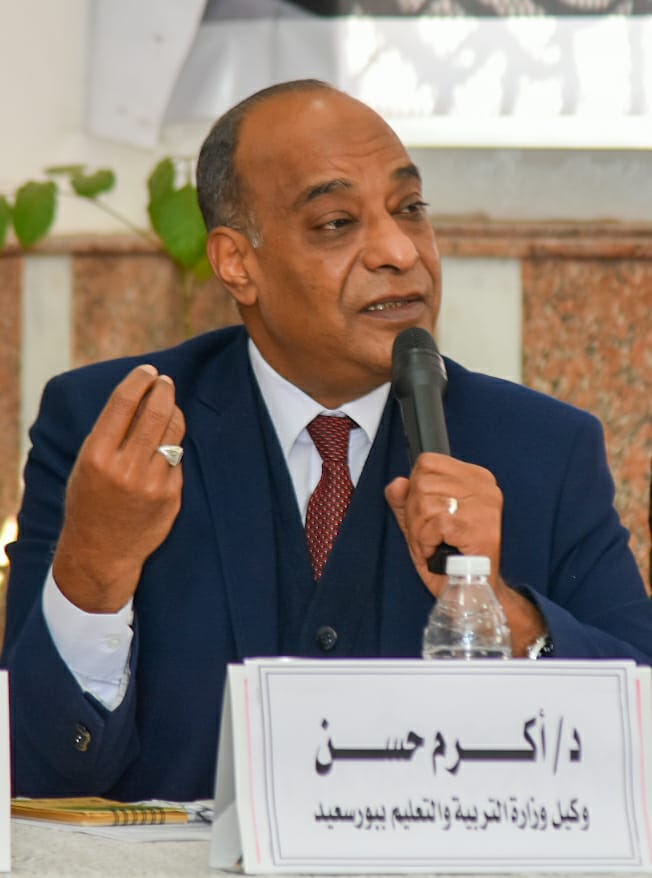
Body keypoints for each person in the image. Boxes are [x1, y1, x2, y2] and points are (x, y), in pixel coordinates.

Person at [3, 79, 652, 802]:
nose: (400, 251)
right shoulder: (114, 431)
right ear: (237, 263)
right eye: (337, 223)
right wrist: (94, 572)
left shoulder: (541, 449)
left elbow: (641, 742)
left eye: (410, 209)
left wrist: (503, 613)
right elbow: (31, 776)